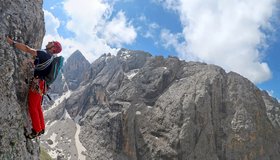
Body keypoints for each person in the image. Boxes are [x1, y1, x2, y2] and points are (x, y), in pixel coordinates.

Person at [6, 36, 62, 139]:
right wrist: (33, 62)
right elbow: (41, 65)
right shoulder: (50, 57)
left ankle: (36, 130)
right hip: (42, 85)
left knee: (32, 107)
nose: (49, 41)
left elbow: (27, 49)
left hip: (37, 84)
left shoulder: (44, 54)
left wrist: (12, 43)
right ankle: (41, 128)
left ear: (53, 48)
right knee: (37, 107)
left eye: (52, 42)